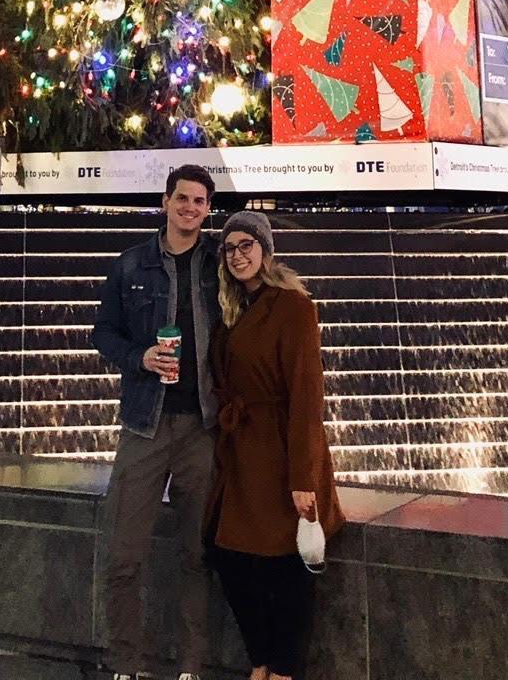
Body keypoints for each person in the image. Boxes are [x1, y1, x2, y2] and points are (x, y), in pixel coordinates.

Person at [90, 164, 223, 680]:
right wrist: (139, 358)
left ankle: (190, 668)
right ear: (165, 201)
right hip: (145, 424)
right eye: (182, 198)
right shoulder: (130, 266)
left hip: (201, 428)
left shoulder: (218, 264)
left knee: (197, 554)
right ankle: (126, 665)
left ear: (207, 209)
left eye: (199, 201)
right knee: (125, 556)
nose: (190, 208)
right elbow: (103, 333)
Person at [205, 210, 344, 680]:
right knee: (228, 555)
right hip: (241, 452)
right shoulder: (231, 307)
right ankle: (261, 659)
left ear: (265, 251)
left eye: (247, 245)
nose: (238, 255)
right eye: (230, 248)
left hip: (280, 450)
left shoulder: (293, 306)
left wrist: (303, 478)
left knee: (286, 566)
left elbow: (307, 395)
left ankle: (281, 669)